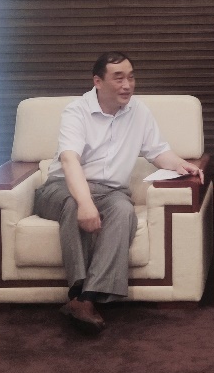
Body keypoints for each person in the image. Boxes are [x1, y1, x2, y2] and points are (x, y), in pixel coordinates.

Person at [34, 52, 204, 334]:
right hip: (61, 186)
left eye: (131, 77)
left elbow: (157, 151)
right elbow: (69, 161)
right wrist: (85, 202)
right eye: (118, 78)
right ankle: (78, 292)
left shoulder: (139, 111)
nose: (127, 85)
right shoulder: (76, 112)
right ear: (98, 82)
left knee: (124, 211)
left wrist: (180, 164)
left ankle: (85, 298)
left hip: (111, 191)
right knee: (74, 206)